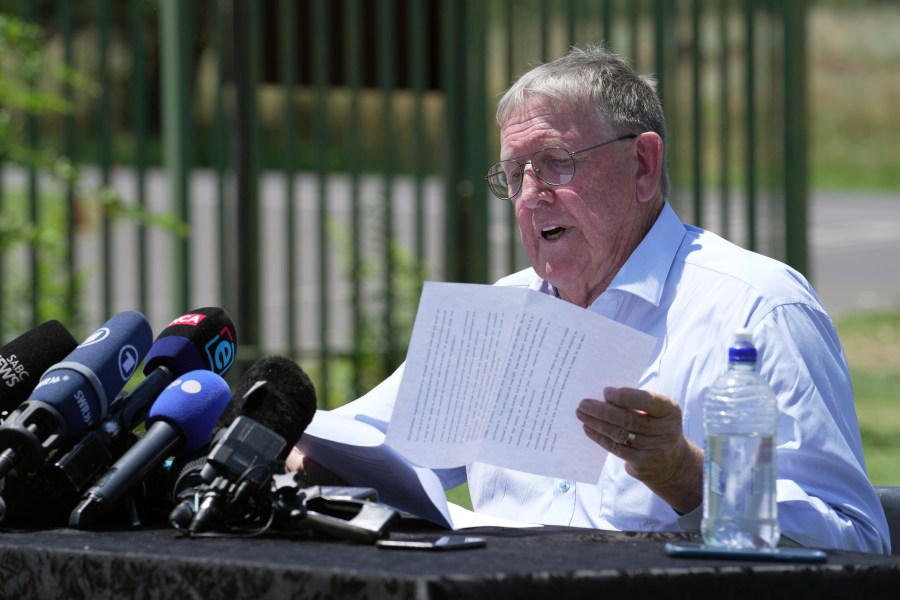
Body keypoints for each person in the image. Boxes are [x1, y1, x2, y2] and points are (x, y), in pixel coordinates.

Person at [287, 44, 890, 554]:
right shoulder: (501, 313)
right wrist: (290, 447)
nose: (529, 196)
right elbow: (361, 443)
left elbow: (858, 540)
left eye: (555, 164)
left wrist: (687, 476)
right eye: (514, 174)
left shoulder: (758, 307)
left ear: (644, 164)